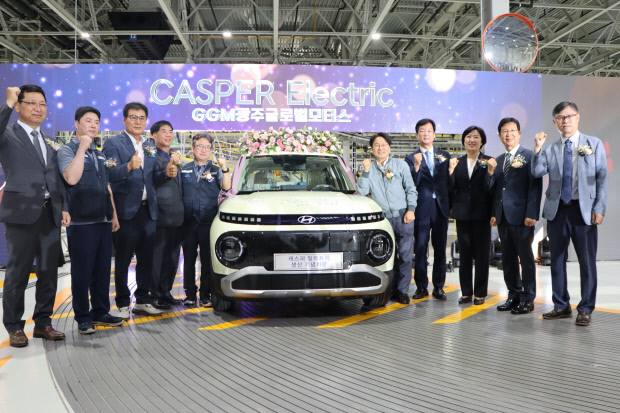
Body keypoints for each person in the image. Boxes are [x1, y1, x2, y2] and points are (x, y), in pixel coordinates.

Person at [0, 85, 70, 347]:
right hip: (21, 214)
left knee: (48, 272)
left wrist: (63, 206)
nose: (38, 108)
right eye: (31, 103)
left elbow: (55, 178)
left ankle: (43, 323)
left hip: (49, 214)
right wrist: (7, 104)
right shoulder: (8, 134)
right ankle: (14, 326)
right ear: (18, 106)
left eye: (42, 104)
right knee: (18, 273)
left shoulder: (48, 139)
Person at [532, 102, 608, 326]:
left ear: (577, 117)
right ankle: (561, 305)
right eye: (560, 117)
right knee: (556, 260)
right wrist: (537, 149)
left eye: (569, 116)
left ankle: (585, 309)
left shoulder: (593, 144)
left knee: (587, 261)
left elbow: (602, 178)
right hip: (557, 211)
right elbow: (537, 172)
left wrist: (599, 208)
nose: (565, 121)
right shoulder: (550, 149)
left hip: (583, 211)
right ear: (555, 121)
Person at [102, 102, 172, 318]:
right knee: (123, 260)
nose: (138, 121)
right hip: (125, 212)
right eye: (133, 117)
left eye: (142, 118)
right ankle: (123, 302)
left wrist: (166, 173)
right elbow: (109, 174)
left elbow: (153, 178)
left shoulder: (150, 146)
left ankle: (142, 300)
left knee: (146, 259)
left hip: (148, 211)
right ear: (124, 120)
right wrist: (128, 167)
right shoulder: (113, 143)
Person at [58, 106, 124, 334]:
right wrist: (82, 148)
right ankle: (83, 317)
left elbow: (107, 186)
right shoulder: (67, 150)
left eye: (96, 121)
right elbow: (71, 178)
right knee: (82, 273)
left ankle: (101, 312)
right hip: (81, 221)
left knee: (102, 271)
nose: (93, 125)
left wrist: (113, 214)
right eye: (88, 121)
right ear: (76, 123)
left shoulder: (100, 153)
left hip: (103, 219)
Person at [357, 133, 417, 304]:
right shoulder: (368, 168)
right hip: (382, 220)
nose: (380, 148)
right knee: (385, 256)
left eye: (384, 145)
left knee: (405, 256)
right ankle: (389, 290)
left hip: (403, 216)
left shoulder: (400, 165)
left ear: (389, 147)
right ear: (372, 149)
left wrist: (411, 210)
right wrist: (366, 172)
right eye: (377, 145)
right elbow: (361, 192)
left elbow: (411, 189)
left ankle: (402, 291)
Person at [491, 117, 542, 315]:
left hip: (522, 217)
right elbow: (497, 190)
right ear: (499, 136)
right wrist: (494, 214)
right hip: (503, 217)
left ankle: (528, 298)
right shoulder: (499, 160)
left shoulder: (529, 156)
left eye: (512, 130)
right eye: (505, 131)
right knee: (508, 259)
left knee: (526, 258)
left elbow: (535, 187)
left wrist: (531, 213)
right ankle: (513, 295)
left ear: (519, 133)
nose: (509, 134)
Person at [448, 126, 497, 305]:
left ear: (482, 141)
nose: (472, 140)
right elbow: (451, 188)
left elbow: (494, 190)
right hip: (462, 215)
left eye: (476, 137)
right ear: (464, 141)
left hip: (482, 214)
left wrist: (490, 173)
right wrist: (450, 172)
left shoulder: (489, 162)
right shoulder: (457, 162)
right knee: (465, 255)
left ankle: (480, 293)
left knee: (482, 255)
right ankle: (466, 292)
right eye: (468, 137)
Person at [181, 134, 231, 307]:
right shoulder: (184, 169)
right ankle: (189, 294)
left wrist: (225, 168)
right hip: (187, 223)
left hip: (208, 222)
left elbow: (227, 187)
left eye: (207, 147)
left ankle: (205, 294)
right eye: (200, 146)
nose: (203, 150)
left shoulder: (216, 170)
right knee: (188, 260)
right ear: (193, 148)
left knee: (207, 260)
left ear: (211, 150)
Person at [405, 119, 451, 300]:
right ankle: (421, 286)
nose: (426, 134)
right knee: (420, 248)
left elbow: (449, 183)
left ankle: (439, 286)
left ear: (434, 134)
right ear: (417, 135)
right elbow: (410, 184)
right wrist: (416, 167)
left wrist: (451, 205)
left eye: (429, 130)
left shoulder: (444, 156)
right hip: (421, 208)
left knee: (440, 249)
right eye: (422, 131)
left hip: (440, 208)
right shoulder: (410, 158)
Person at [150, 120, 184, 310]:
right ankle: (154, 294)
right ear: (154, 135)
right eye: (164, 131)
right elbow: (154, 178)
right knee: (157, 258)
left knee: (172, 258)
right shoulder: (151, 156)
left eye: (171, 131)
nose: (169, 134)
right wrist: (167, 171)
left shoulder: (173, 157)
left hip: (176, 218)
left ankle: (165, 292)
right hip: (160, 217)